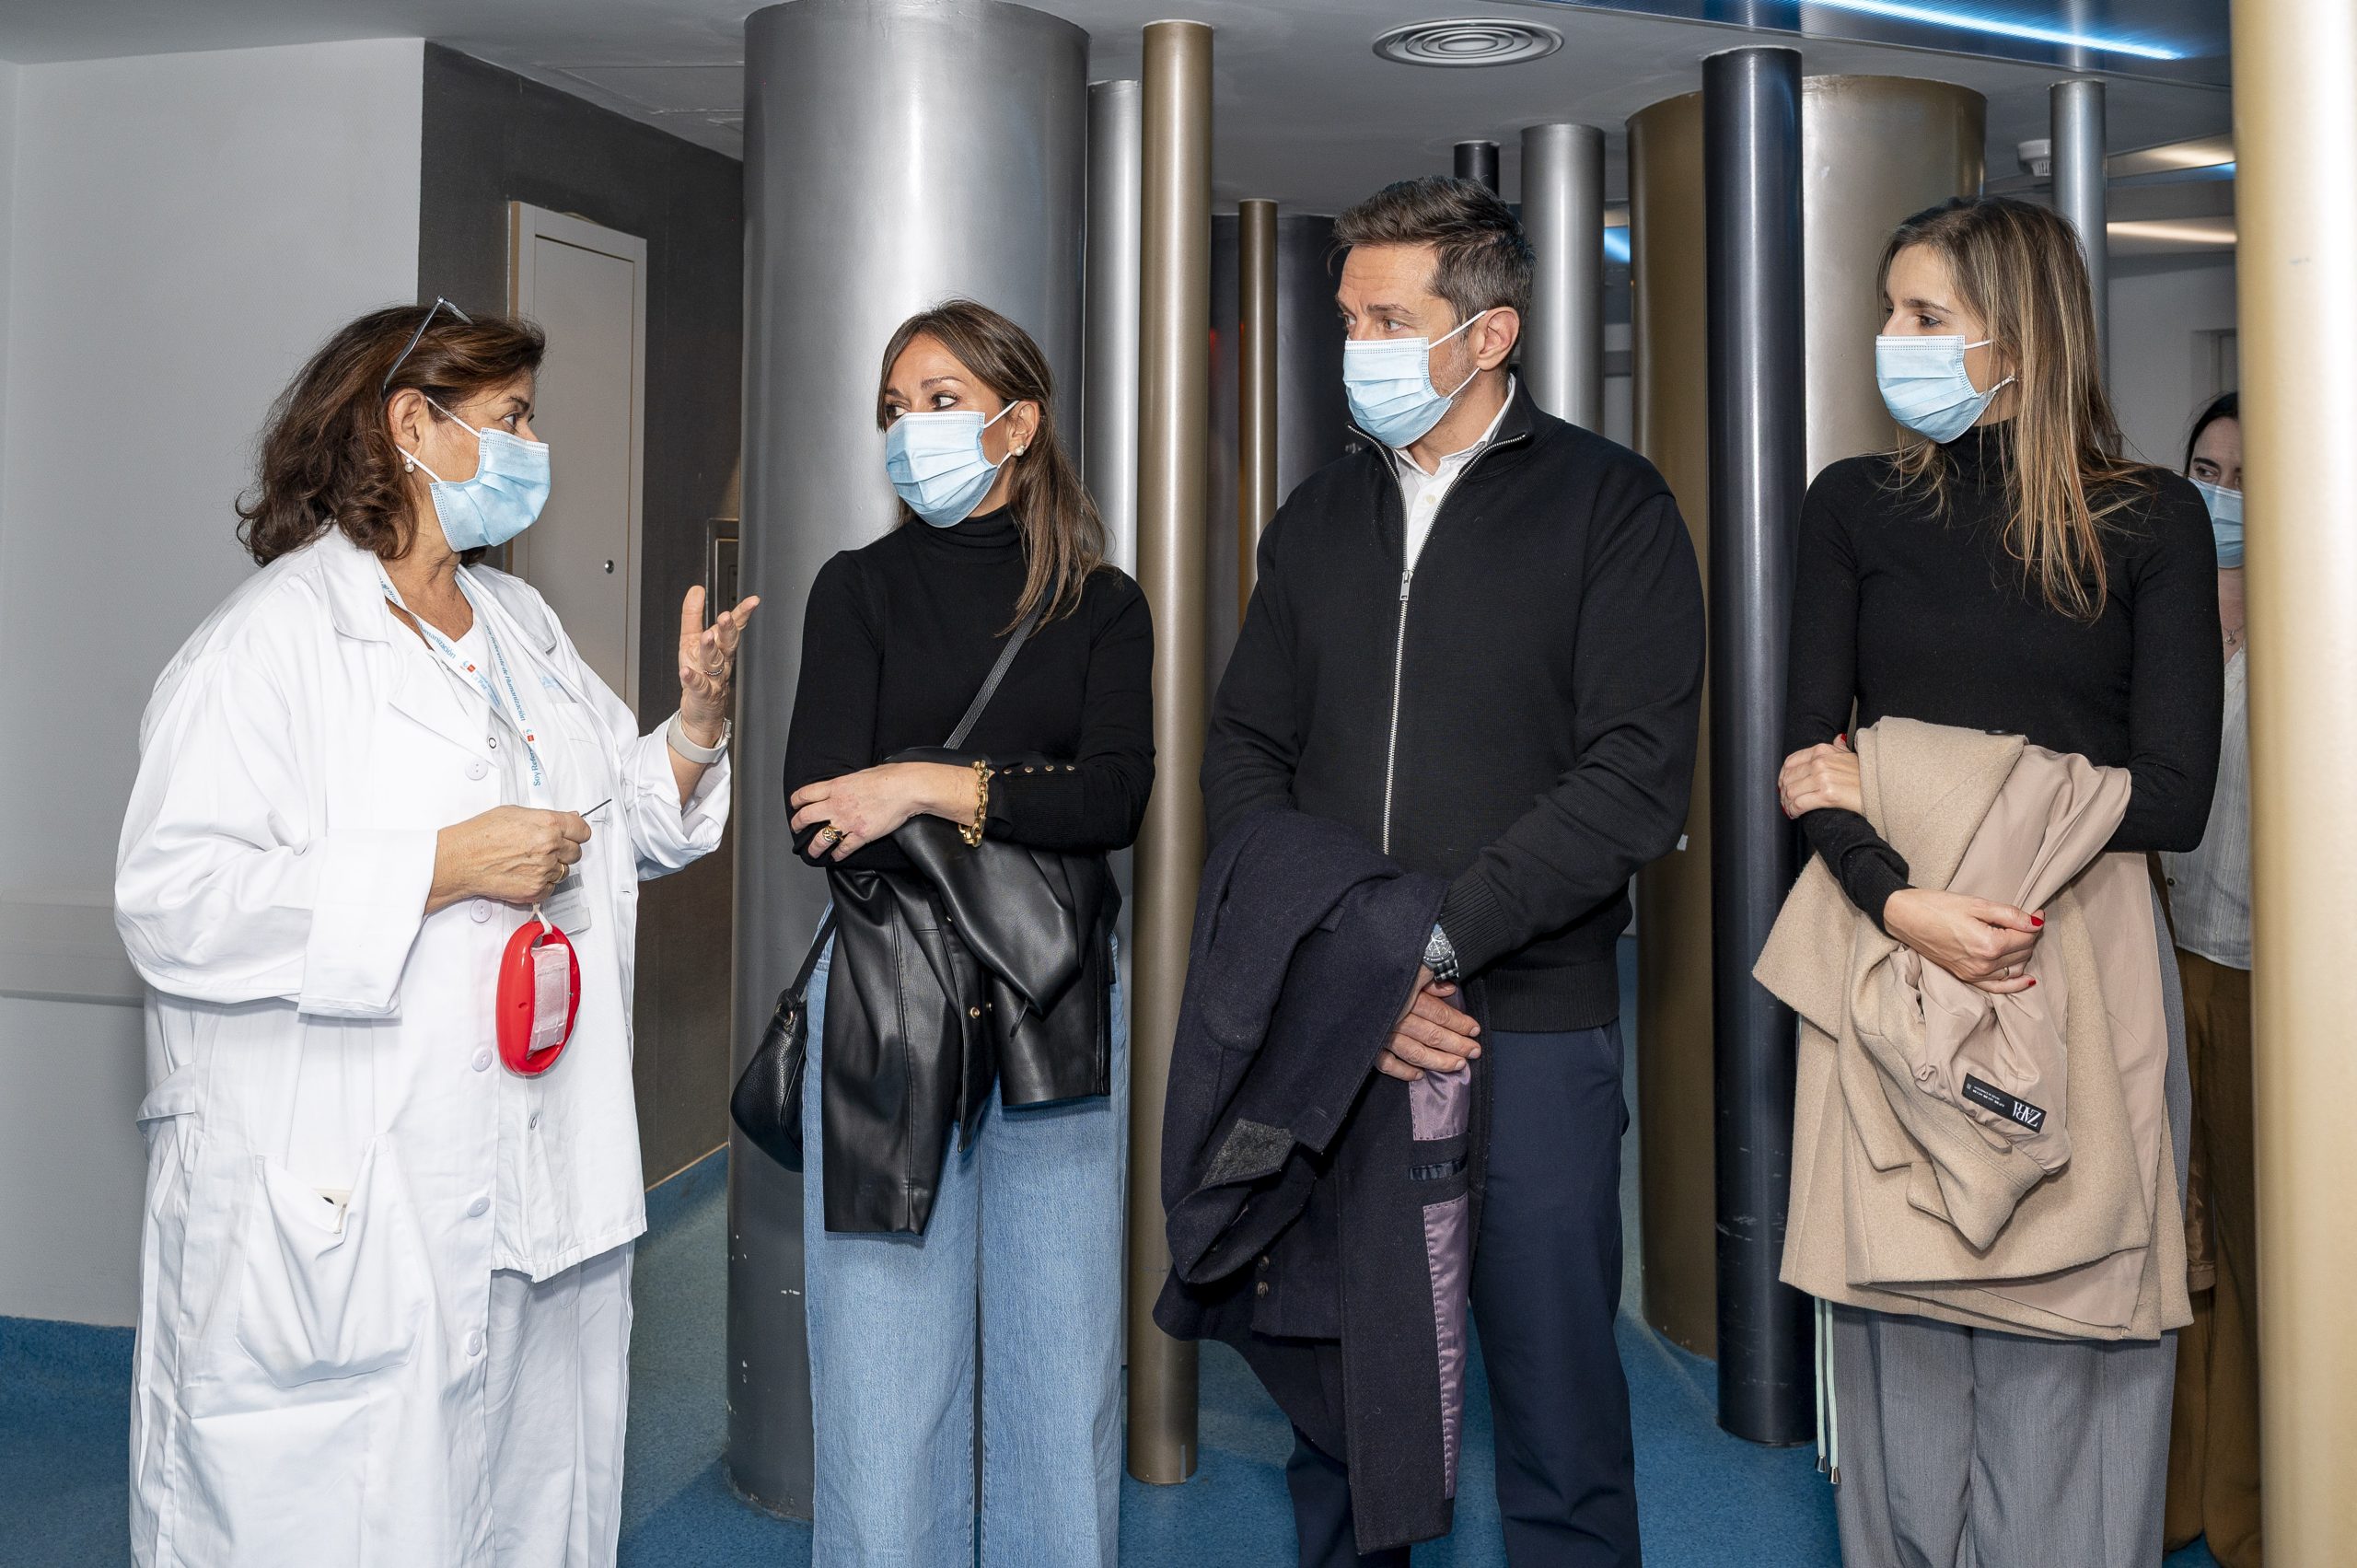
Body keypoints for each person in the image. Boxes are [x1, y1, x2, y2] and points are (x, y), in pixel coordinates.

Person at [114, 299, 754, 1568]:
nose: (532, 446)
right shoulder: (267, 649)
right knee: (356, 1510)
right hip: (351, 1185)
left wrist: (688, 731)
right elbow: (172, 899)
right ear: (411, 425)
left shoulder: (519, 630)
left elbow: (607, 820)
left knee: (526, 1494)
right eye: (511, 418)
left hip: (535, 1162)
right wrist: (437, 868)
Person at [1204, 175, 1705, 1568]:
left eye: (1386, 316)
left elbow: (1629, 783)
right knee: (1345, 1403)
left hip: (1531, 1024)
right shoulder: (1315, 518)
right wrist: (1341, 964)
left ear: (1488, 335)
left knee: (1556, 1409)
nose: (1355, 342)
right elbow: (1246, 749)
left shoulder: (1614, 506)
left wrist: (1420, 946)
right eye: (1349, 313)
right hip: (1340, 1031)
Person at [1777, 197, 2223, 1568]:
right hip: (1887, 941)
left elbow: (2176, 793)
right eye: (1891, 309)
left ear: (2020, 339)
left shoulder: (2152, 520)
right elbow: (1805, 763)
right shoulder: (1852, 505)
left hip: (2074, 952)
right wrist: (1896, 893)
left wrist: (1907, 787)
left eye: (1925, 317)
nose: (1889, 341)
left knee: (2069, 1362)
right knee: (1900, 1339)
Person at [781, 298, 1153, 1567]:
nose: (909, 428)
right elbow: (823, 813)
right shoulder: (856, 588)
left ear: (1017, 422)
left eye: (939, 399)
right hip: (888, 995)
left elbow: (1117, 797)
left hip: (1053, 995)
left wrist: (928, 785)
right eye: (893, 406)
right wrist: (1001, 802)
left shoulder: (1101, 603)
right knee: (882, 1361)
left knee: (1062, 1356)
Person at [2163, 390, 2261, 1568]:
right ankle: (2173, 1491)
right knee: (2167, 1242)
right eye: (2203, 466)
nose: (2220, 495)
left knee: (2250, 1244)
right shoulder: (2164, 606)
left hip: (2263, 978)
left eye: (2242, 474)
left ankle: (2247, 1509)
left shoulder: (2317, 631)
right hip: (2159, 952)